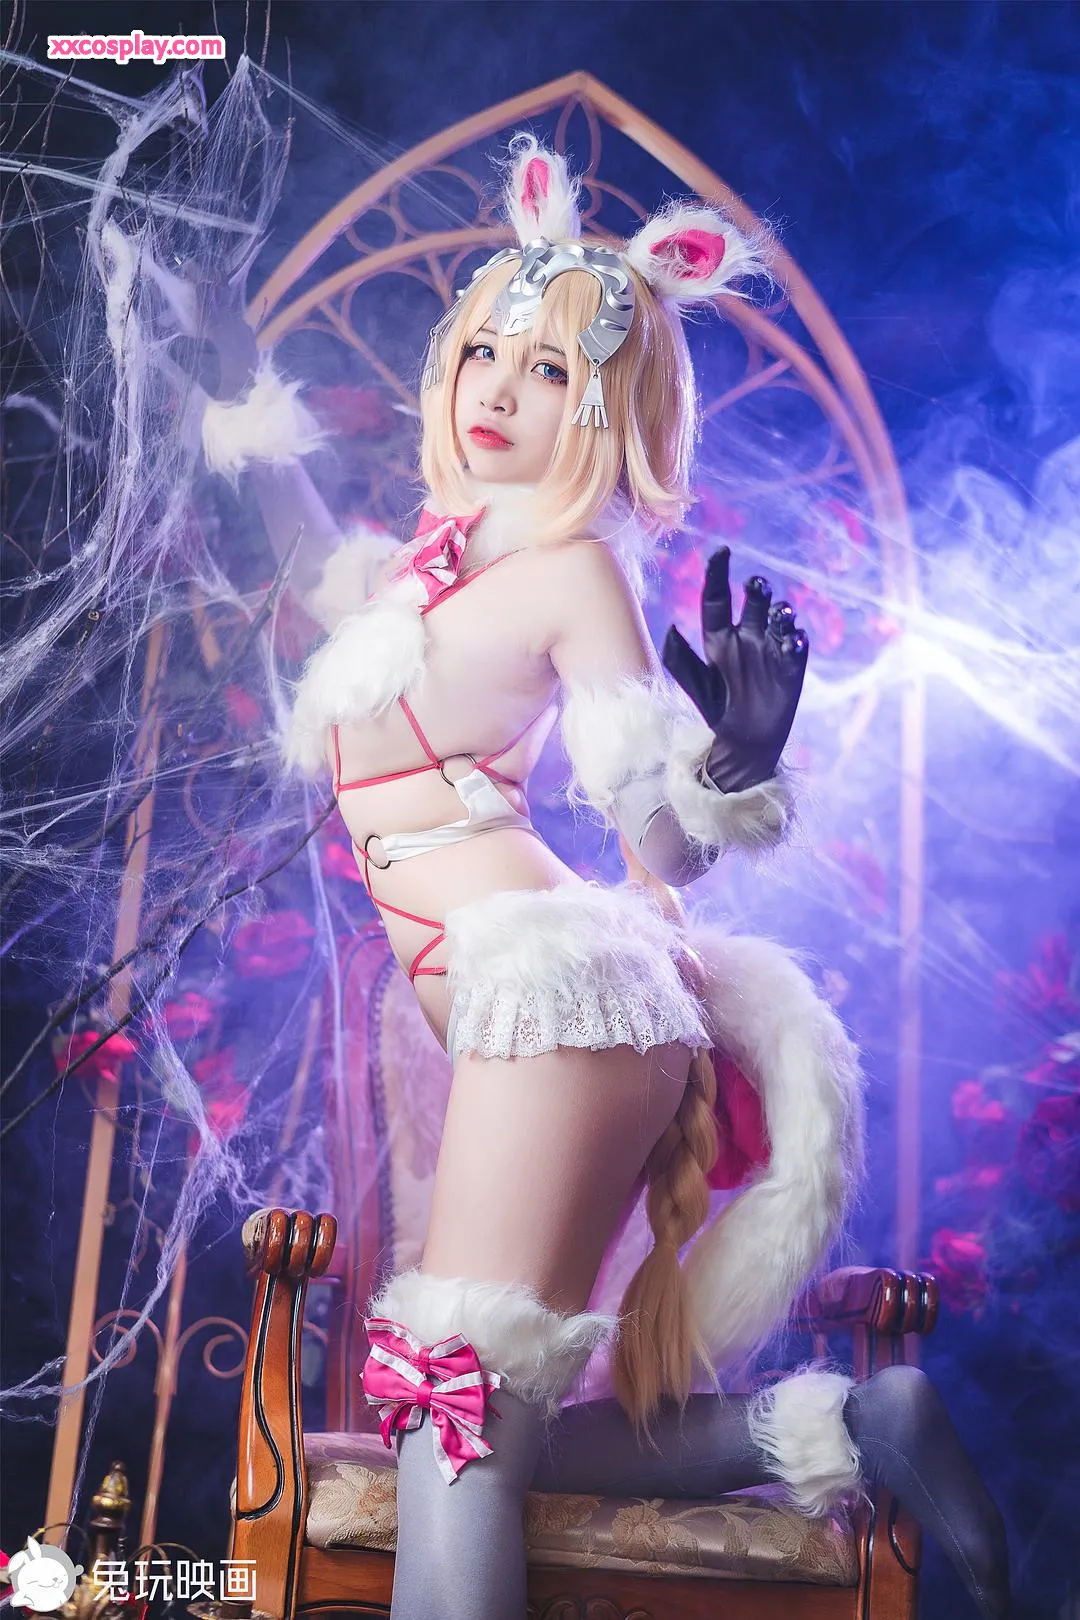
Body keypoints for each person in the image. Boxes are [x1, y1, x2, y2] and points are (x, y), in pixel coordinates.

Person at [197, 134, 1010, 1620]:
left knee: (452, 1403)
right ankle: (837, 1424)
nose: (502, 388)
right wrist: (222, 349)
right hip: (526, 999)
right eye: (487, 352)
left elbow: (657, 850)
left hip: (551, 987)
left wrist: (737, 760)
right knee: (486, 1435)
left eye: (552, 370)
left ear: (606, 410)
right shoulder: (432, 567)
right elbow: (300, 549)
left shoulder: (578, 570)